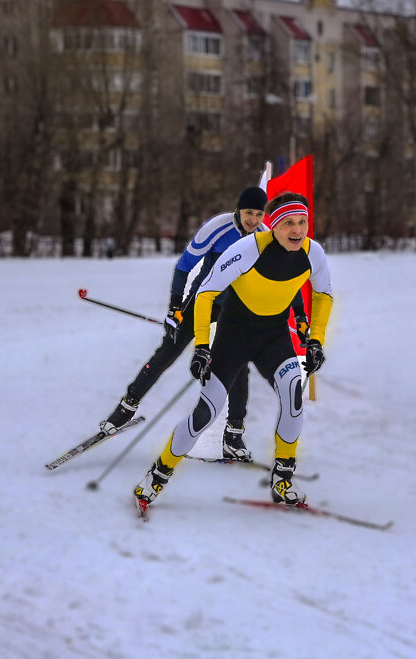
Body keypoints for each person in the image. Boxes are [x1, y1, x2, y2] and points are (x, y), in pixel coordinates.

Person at [134, 192, 333, 511]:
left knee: (293, 396)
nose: (297, 230)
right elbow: (205, 293)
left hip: (274, 338)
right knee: (205, 414)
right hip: (234, 337)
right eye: (289, 224)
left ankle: (282, 479)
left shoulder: (313, 253)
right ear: (274, 226)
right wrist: (201, 345)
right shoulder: (247, 249)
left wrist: (316, 340)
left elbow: (323, 295)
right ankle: (159, 474)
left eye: (303, 222)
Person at [99, 185, 306, 461]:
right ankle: (126, 407)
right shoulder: (217, 228)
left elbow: (284, 279)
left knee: (239, 367)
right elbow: (185, 265)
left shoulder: (264, 237)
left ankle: (234, 434)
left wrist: (300, 316)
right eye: (248, 213)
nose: (253, 220)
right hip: (202, 300)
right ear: (238, 209)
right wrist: (175, 308)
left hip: (236, 310)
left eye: (258, 214)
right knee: (169, 350)